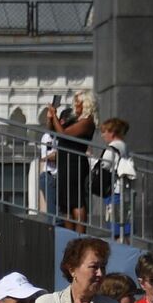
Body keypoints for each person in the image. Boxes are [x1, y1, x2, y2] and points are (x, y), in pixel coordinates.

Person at [44, 91, 96, 231]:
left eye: (78, 102)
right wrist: (50, 118)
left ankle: (79, 235)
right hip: (64, 161)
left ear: (85, 104)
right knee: (65, 202)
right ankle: (69, 235)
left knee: (76, 200)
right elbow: (53, 132)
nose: (75, 105)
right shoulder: (74, 119)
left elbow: (64, 135)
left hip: (75, 162)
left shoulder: (87, 121)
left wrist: (54, 115)